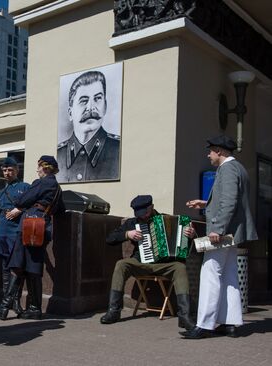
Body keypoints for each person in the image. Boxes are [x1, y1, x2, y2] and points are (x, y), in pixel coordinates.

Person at [182, 136, 258, 339]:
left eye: (211, 151)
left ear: (220, 152)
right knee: (229, 275)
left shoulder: (227, 169)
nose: (208, 155)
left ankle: (204, 325)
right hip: (233, 233)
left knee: (210, 273)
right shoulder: (240, 168)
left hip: (223, 233)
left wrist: (217, 228)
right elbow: (229, 200)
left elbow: (230, 201)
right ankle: (230, 323)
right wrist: (205, 203)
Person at [100, 195, 196, 330]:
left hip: (164, 264)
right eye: (139, 214)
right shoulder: (132, 223)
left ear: (152, 207)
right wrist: (127, 234)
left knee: (180, 267)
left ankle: (184, 317)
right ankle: (114, 311)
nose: (143, 217)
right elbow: (110, 239)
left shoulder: (170, 220)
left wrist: (191, 235)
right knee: (121, 264)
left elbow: (185, 245)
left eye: (145, 213)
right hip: (141, 263)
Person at [0, 156, 64, 320]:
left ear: (44, 168)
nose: (37, 170)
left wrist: (25, 201)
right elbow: (61, 210)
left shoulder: (41, 183)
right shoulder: (58, 188)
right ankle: (34, 308)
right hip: (42, 227)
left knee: (17, 265)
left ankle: (4, 306)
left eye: (38, 167)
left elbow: (21, 199)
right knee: (33, 267)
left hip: (30, 225)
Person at [56, 70, 120, 182]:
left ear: (105, 106)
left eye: (98, 98)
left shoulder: (118, 149)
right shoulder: (59, 155)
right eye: (84, 101)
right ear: (70, 113)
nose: (91, 107)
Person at [0, 157, 30, 317]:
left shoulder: (25, 187)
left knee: (17, 267)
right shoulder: (1, 192)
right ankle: (8, 301)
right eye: (4, 170)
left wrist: (19, 210)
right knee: (5, 268)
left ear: (17, 171)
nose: (7, 173)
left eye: (10, 170)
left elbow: (32, 205)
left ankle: (15, 303)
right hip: (3, 233)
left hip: (17, 232)